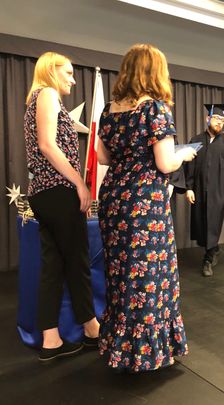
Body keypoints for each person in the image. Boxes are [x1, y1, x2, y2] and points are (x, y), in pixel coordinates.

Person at [96, 44, 196, 372]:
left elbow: (103, 157)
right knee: (151, 275)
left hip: (114, 199)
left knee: (120, 275)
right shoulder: (155, 109)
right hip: (144, 202)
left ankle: (118, 347)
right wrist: (184, 154)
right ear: (155, 72)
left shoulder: (108, 111)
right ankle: (146, 354)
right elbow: (165, 163)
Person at [24, 51, 100, 361]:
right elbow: (47, 144)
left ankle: (51, 339)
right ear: (50, 71)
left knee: (54, 265)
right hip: (58, 191)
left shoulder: (38, 98)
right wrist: (80, 183)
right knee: (77, 261)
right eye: (67, 72)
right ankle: (92, 330)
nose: (73, 79)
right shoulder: (47, 94)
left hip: (43, 193)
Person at [183, 104, 224, 277]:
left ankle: (207, 260)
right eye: (216, 118)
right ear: (208, 119)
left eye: (222, 120)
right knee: (201, 226)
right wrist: (189, 188)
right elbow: (189, 166)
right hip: (199, 190)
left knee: (213, 224)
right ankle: (215, 249)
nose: (219, 122)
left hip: (218, 192)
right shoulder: (196, 140)